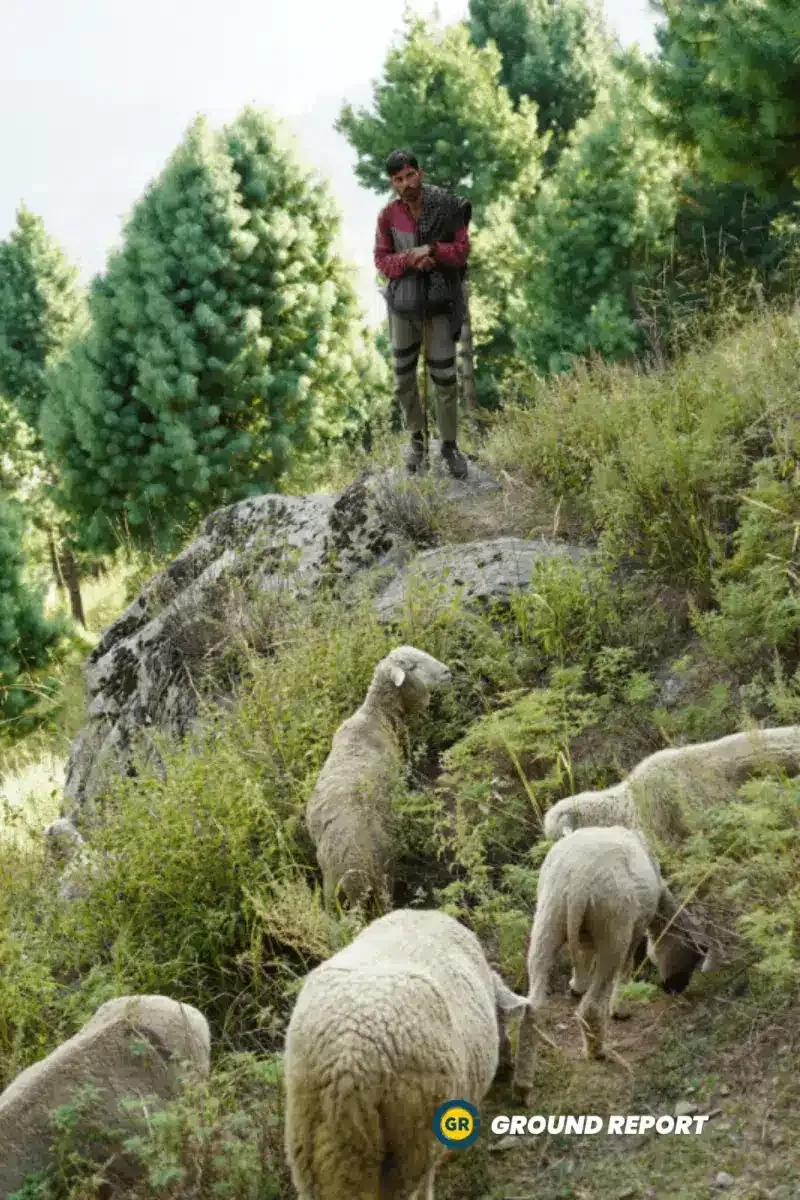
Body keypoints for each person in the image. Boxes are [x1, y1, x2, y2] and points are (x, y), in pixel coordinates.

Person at [374, 149, 471, 479]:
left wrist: (432, 250)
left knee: (445, 379)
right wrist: (410, 259)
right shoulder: (388, 217)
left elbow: (461, 252)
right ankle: (417, 440)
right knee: (403, 378)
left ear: (420, 173)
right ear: (393, 183)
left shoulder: (446, 206)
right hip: (403, 306)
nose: (406, 184)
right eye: (398, 179)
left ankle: (449, 446)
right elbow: (382, 261)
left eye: (409, 175)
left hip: (440, 304)